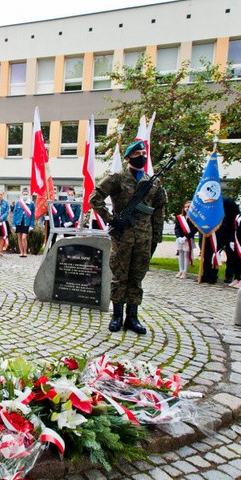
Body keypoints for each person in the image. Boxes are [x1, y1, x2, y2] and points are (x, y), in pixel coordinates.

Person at [90, 140, 166, 335]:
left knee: (137, 277)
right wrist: (111, 219)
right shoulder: (117, 179)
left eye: (144, 152)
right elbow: (95, 198)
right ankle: (117, 316)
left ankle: (132, 317)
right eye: (138, 153)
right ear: (129, 158)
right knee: (119, 275)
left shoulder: (154, 182)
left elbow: (159, 211)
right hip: (123, 235)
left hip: (144, 236)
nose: (142, 156)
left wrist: (156, 237)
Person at [217, 195, 240, 284]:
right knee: (217, 253)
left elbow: (233, 218)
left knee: (230, 256)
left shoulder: (226, 201)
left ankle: (229, 275)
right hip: (221, 231)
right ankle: (214, 274)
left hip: (229, 231)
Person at [173, 200, 197, 279]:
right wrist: (179, 237)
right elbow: (177, 228)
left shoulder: (194, 218)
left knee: (187, 255)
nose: (187, 208)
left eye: (189, 207)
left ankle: (185, 272)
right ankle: (180, 270)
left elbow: (194, 230)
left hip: (188, 239)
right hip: (180, 239)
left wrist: (186, 237)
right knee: (180, 255)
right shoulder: (180, 217)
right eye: (185, 207)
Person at [11, 188, 35, 257]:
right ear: (22, 194)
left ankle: (25, 251)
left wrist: (31, 225)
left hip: (26, 223)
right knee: (19, 237)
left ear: (28, 195)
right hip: (19, 222)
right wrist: (13, 224)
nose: (25, 195)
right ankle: (21, 252)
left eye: (26, 194)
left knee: (24, 238)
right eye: (24, 194)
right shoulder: (18, 202)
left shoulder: (31, 203)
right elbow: (15, 213)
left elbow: (33, 215)